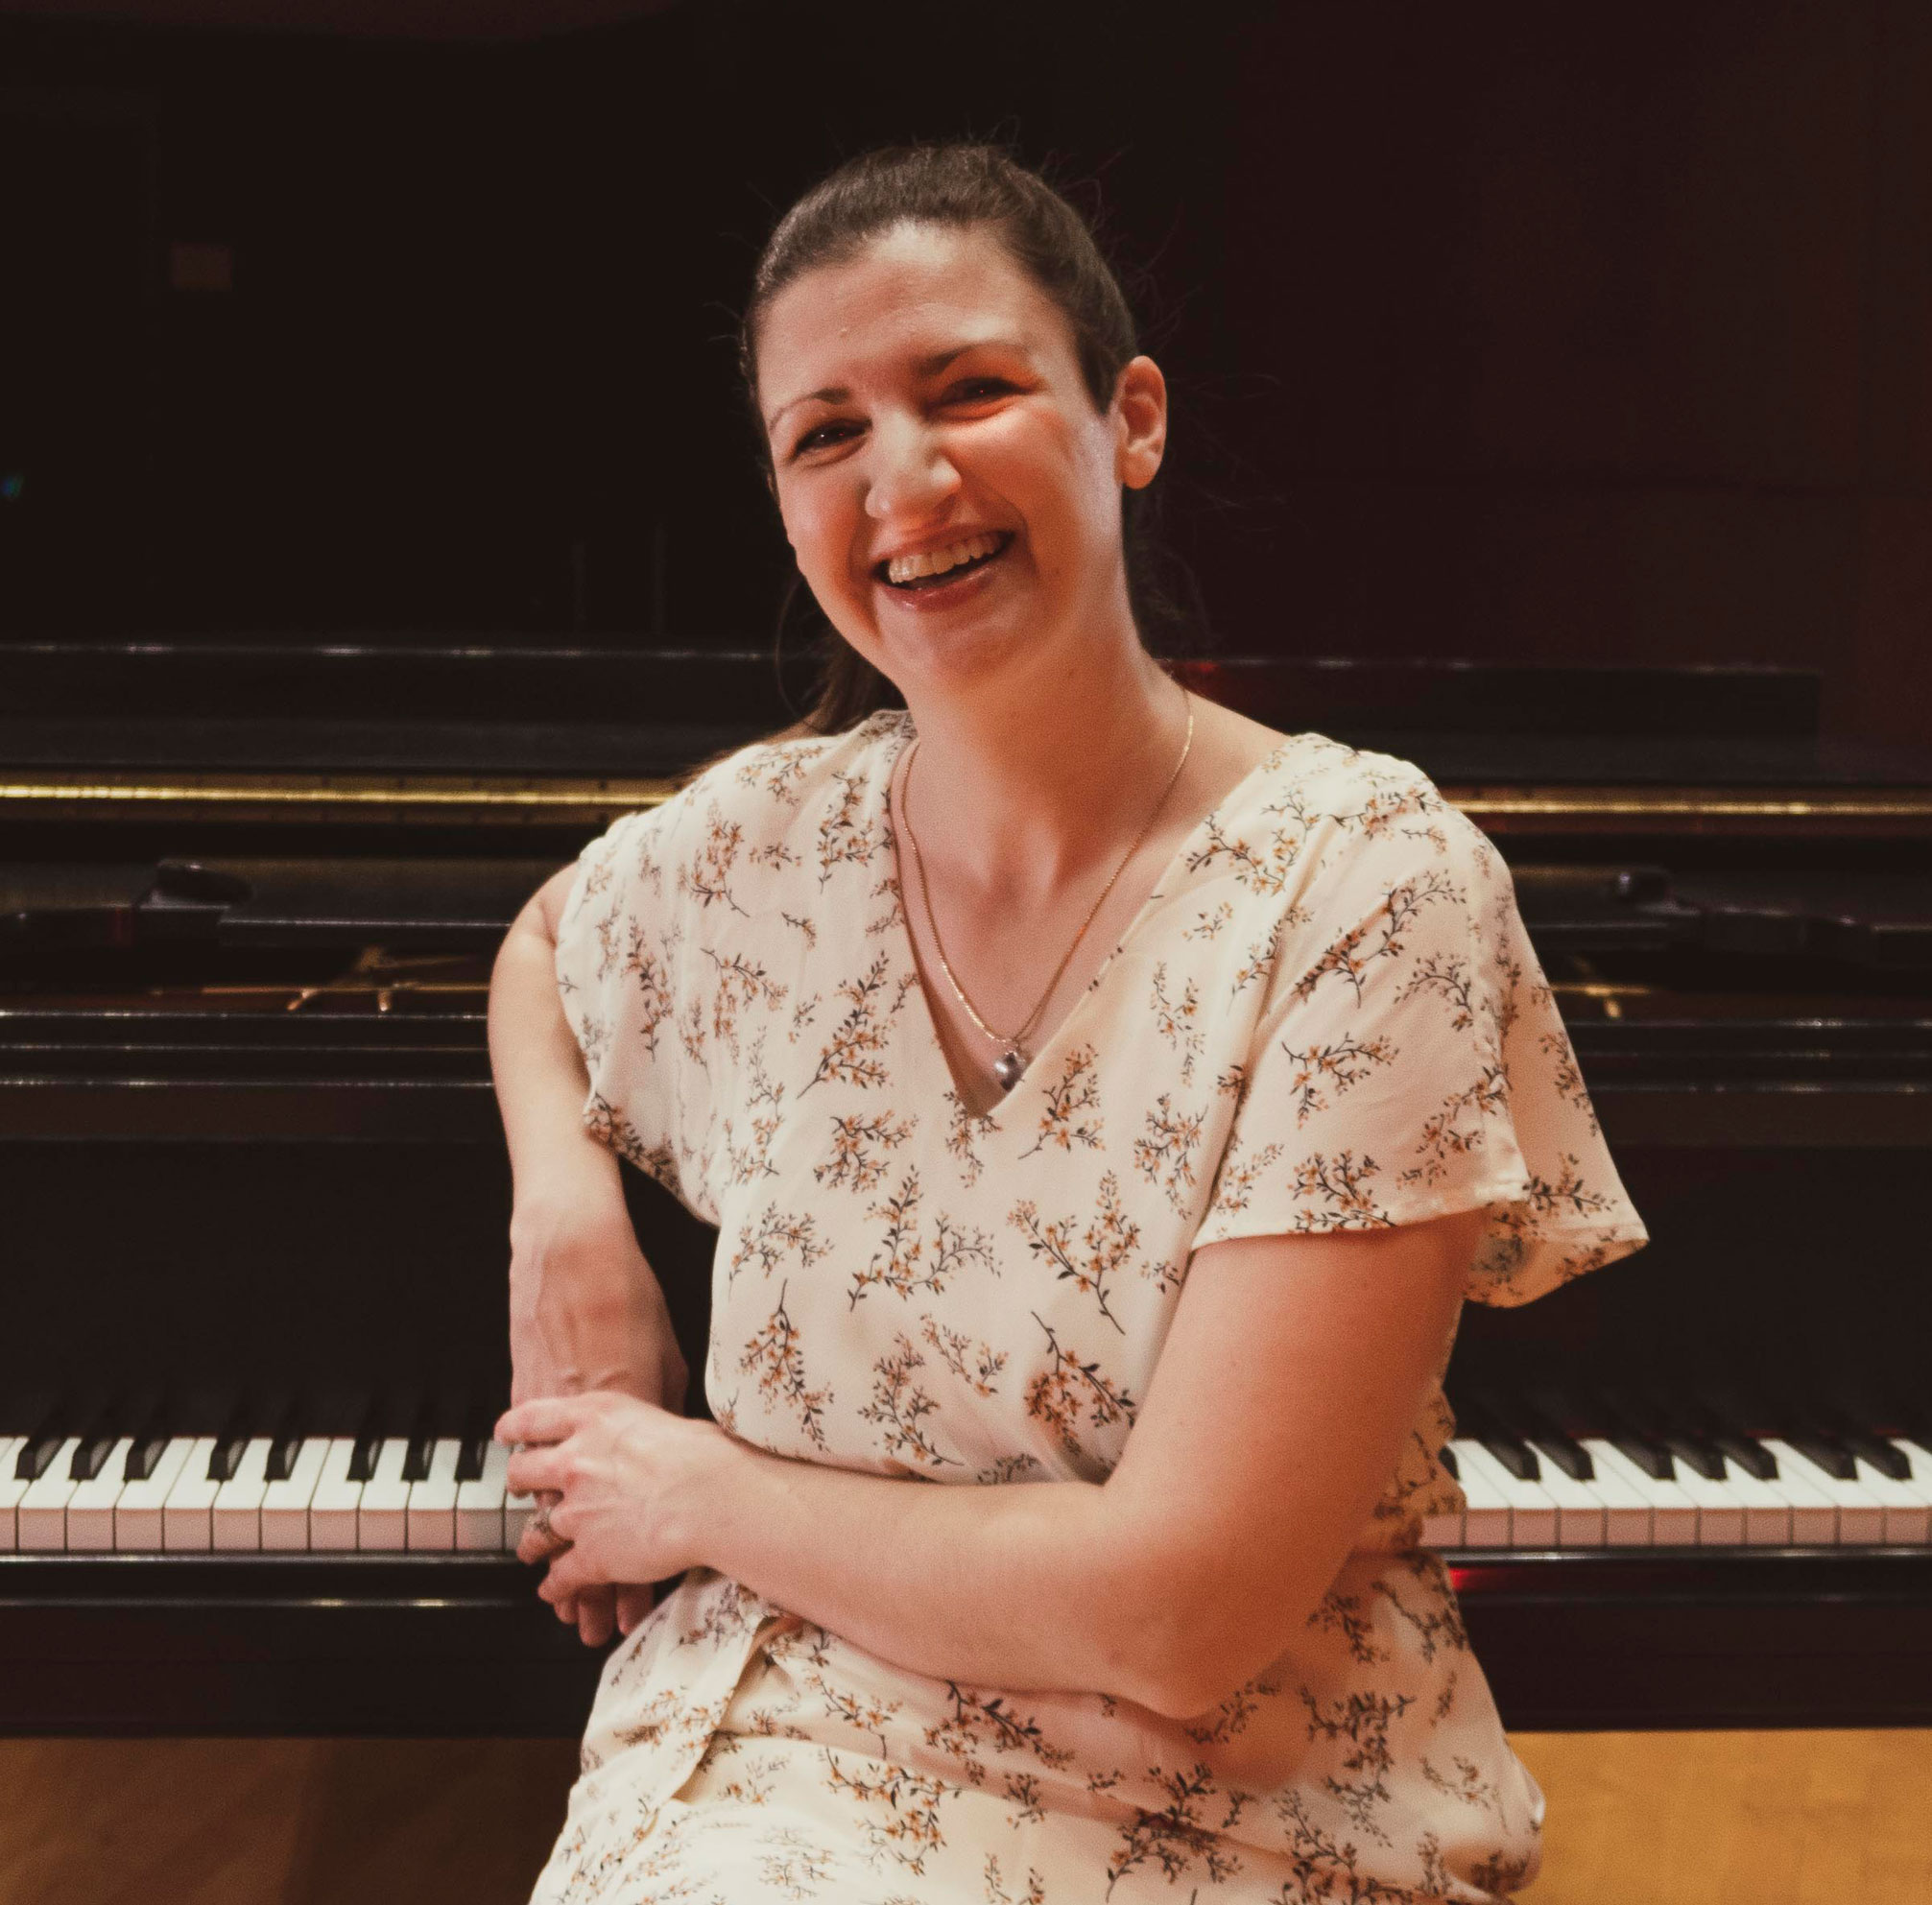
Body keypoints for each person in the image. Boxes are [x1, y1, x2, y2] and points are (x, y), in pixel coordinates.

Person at [488, 141, 1647, 1904]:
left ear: (1132, 420)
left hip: (1235, 1794)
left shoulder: (1366, 884)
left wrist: (699, 1496)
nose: (904, 477)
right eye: (825, 433)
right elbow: (545, 941)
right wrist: (567, 1207)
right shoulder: (761, 840)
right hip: (778, 1741)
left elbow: (1181, 1613)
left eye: (968, 388)